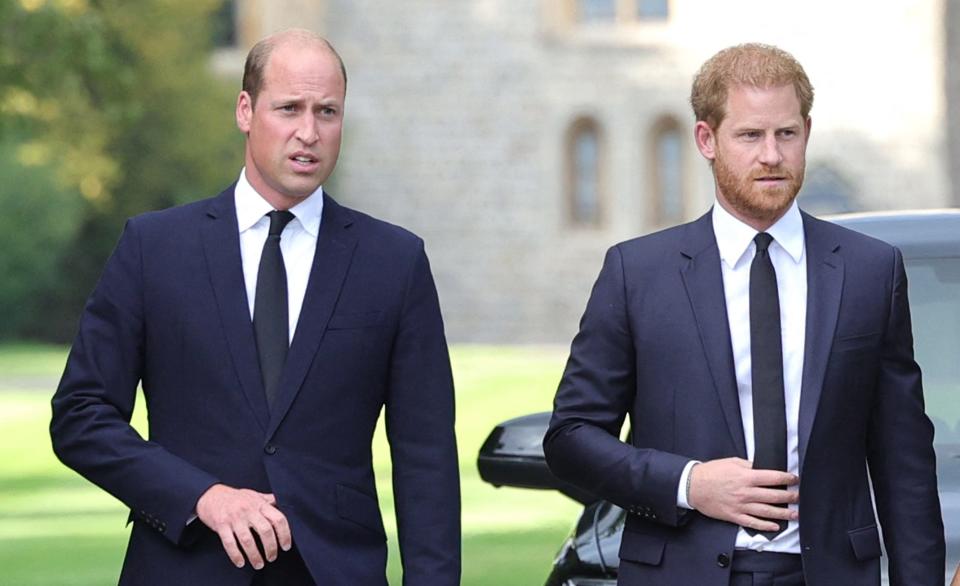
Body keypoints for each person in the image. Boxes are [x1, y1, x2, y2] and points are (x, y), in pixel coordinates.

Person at [50, 29, 460, 586]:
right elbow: (81, 417)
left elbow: (427, 458)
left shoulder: (395, 261)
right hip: (183, 566)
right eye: (289, 108)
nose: (309, 132)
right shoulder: (154, 248)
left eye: (328, 111)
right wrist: (204, 497)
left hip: (334, 571)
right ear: (245, 110)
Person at [543, 43, 944, 585]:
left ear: (806, 131)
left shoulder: (870, 271)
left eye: (786, 134)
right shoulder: (637, 273)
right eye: (750, 135)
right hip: (681, 571)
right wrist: (690, 483)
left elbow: (905, 462)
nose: (772, 156)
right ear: (707, 139)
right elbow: (571, 436)